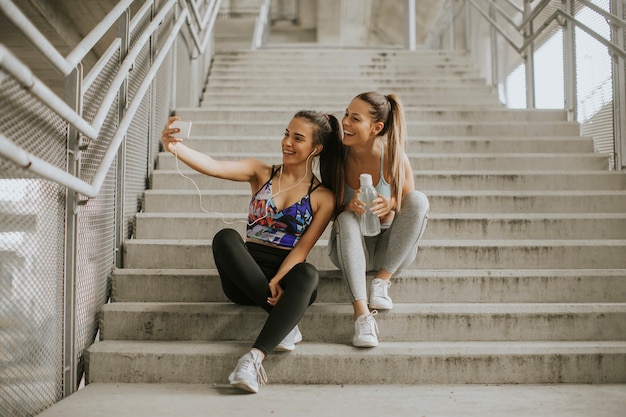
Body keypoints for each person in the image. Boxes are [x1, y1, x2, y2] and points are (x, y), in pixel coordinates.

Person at [161, 111, 344, 393]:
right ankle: (284, 322)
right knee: (226, 237)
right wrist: (176, 147)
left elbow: (302, 250)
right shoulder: (261, 172)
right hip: (244, 280)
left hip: (287, 280)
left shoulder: (323, 197)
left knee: (308, 273)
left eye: (298, 138)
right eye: (286, 134)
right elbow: (212, 165)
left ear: (315, 149)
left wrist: (277, 279)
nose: (287, 142)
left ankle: (252, 359)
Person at [329, 91, 430, 348]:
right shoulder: (337, 158)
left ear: (376, 127)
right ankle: (362, 315)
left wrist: (391, 204)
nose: (346, 123)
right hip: (352, 249)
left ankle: (382, 280)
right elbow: (326, 209)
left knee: (418, 199)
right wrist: (347, 206)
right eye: (346, 115)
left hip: (390, 251)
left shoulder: (394, 156)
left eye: (355, 119)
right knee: (345, 219)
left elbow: (410, 207)